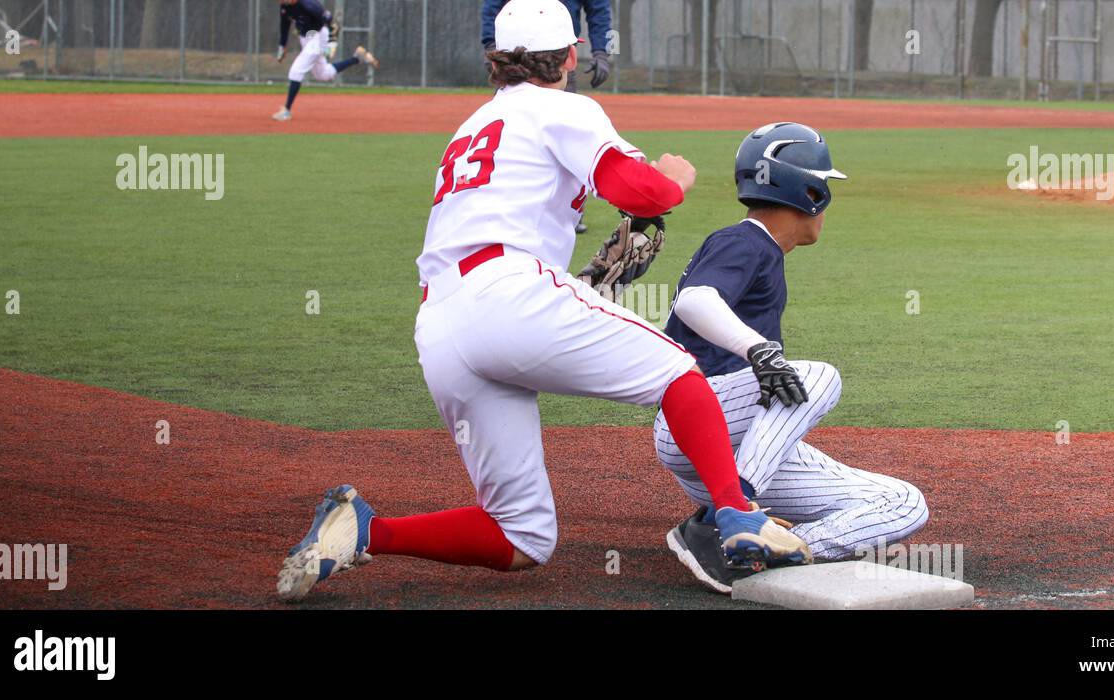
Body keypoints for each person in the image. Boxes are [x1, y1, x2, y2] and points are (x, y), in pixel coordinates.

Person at [275, 0, 809, 603]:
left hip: (441, 324)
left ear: (496, 60)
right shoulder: (561, 105)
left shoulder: (472, 124)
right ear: (571, 55)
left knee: (522, 535)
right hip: (509, 292)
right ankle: (738, 516)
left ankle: (366, 532)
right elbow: (641, 188)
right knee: (681, 374)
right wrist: (672, 180)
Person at [654, 122, 930, 593]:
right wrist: (759, 351)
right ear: (810, 192)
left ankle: (774, 546)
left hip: (738, 444)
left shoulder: (759, 249)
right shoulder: (744, 240)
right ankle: (735, 511)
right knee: (819, 376)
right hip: (699, 423)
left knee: (904, 502)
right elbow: (694, 300)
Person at [482, 0, 613, 233]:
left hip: (552, 56)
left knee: (517, 136)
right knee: (526, 137)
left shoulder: (478, 119)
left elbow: (601, 10)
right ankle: (502, 206)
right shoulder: (586, 109)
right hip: (523, 57)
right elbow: (492, 5)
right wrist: (491, 43)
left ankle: (567, 211)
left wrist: (604, 51)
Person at [271, 0, 378, 122]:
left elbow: (334, 25)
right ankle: (357, 58)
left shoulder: (309, 5)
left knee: (296, 71)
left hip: (317, 36)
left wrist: (331, 44)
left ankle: (286, 111)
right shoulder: (285, 6)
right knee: (323, 74)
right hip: (306, 38)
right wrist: (282, 46)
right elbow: (284, 25)